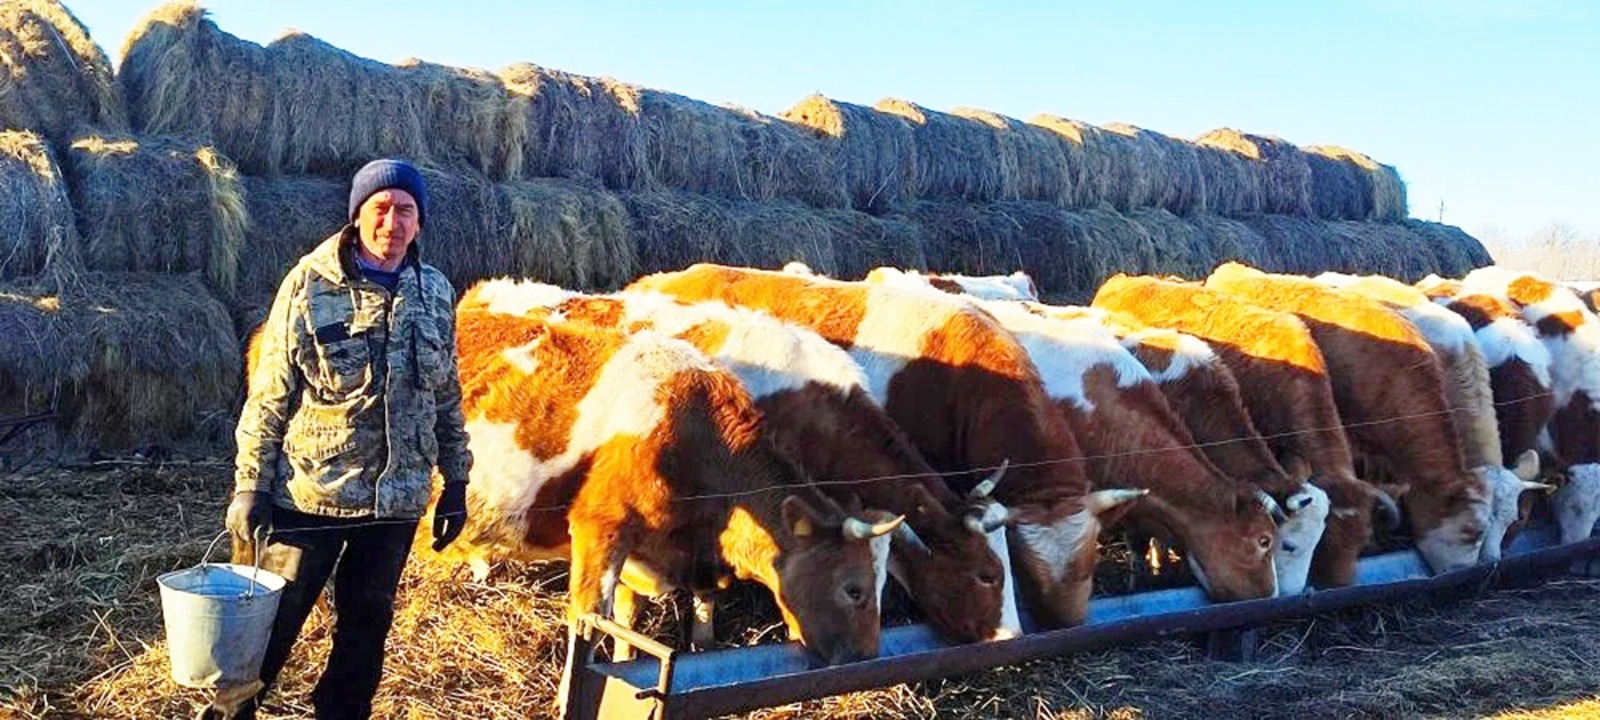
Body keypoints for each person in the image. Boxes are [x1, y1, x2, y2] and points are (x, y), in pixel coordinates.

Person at [200, 159, 473, 720]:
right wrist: (249, 486)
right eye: (380, 209)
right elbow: (269, 395)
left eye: (405, 211)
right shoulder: (309, 284)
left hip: (394, 503)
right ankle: (231, 714)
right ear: (356, 216)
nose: (392, 223)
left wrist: (457, 480)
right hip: (311, 496)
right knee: (269, 630)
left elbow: (445, 393)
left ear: (419, 222)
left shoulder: (435, 291)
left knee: (367, 630)